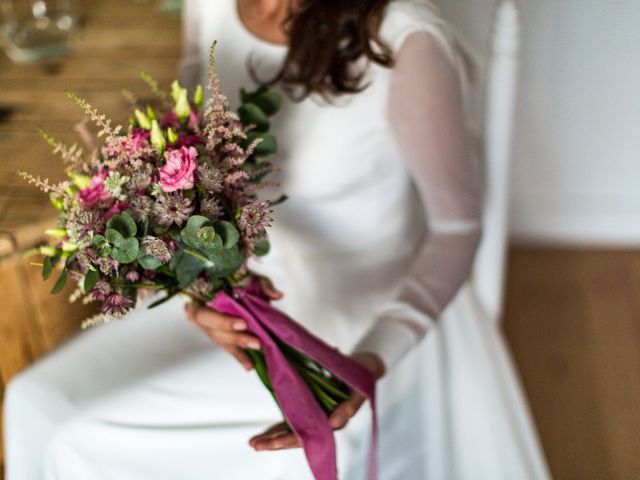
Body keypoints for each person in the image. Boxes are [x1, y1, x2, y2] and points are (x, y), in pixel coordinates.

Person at [3, 0, 551, 478]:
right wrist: (198, 294)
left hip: (354, 325)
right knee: (31, 403)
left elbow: (457, 230)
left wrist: (366, 361)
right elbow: (196, 156)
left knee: (78, 438)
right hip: (237, 291)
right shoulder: (211, 4)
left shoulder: (403, 40)